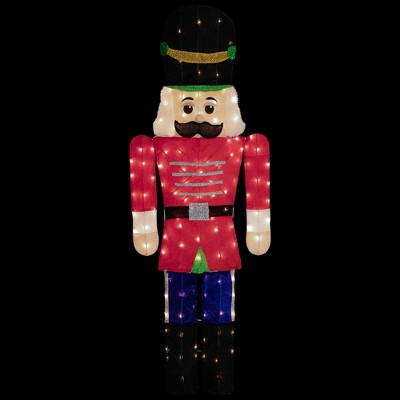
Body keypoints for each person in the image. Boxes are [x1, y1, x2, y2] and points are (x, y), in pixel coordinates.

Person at [129, 4, 270, 395]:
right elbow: (143, 184)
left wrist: (258, 226)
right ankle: (180, 380)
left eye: (208, 106)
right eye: (188, 106)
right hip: (177, 237)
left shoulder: (244, 146)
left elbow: (257, 182)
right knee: (178, 314)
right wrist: (145, 227)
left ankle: (220, 379)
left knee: (221, 312)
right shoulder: (151, 147)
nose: (198, 117)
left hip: (221, 237)